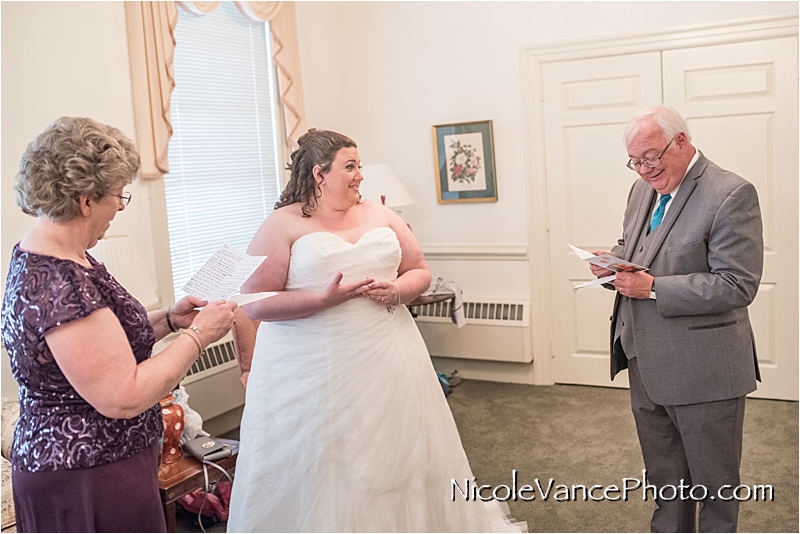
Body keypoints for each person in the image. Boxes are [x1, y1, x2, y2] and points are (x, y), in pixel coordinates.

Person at [227, 129, 523, 532]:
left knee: (399, 454)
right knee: (329, 464)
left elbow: (420, 270)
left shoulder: (381, 214)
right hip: (314, 369)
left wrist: (398, 290)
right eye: (350, 167)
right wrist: (321, 299)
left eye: (359, 166)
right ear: (319, 174)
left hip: (389, 356)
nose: (359, 175)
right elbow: (255, 303)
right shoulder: (282, 224)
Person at [1, 116, 238, 532]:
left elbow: (100, 343)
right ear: (85, 200)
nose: (119, 207)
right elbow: (122, 395)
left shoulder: (53, 252)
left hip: (97, 462)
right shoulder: (60, 281)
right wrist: (200, 336)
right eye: (118, 196)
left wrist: (168, 320)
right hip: (86, 475)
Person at [589, 106, 763, 532]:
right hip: (644, 361)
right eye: (635, 160)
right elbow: (638, 248)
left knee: (714, 487)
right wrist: (614, 264)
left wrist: (651, 287)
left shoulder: (731, 193)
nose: (644, 169)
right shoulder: (640, 190)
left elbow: (737, 284)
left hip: (705, 369)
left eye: (651, 157)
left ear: (681, 142)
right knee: (666, 480)